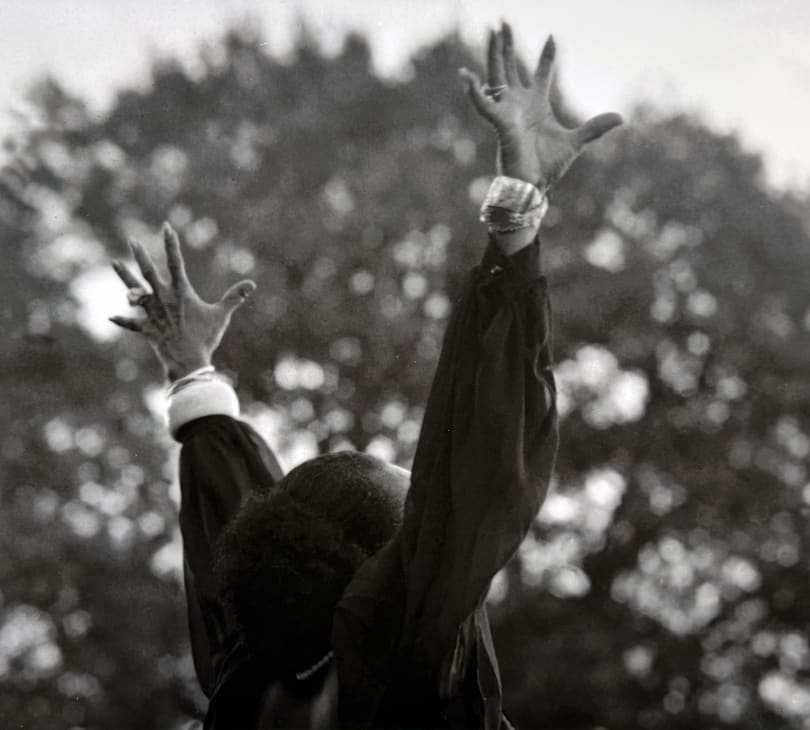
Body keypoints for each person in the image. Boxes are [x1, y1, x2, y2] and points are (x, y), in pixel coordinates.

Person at [110, 23, 622, 729]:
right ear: (380, 574)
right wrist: (517, 206)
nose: (428, 505)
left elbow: (233, 515)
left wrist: (192, 374)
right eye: (413, 511)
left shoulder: (250, 672)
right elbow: (477, 466)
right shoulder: (401, 671)